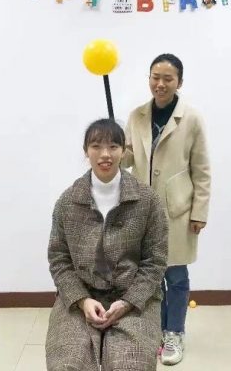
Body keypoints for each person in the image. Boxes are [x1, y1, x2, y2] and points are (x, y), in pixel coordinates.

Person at [45, 118, 169, 371]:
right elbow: (59, 260)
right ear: (86, 151)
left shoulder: (147, 201)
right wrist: (82, 300)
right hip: (80, 295)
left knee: (131, 364)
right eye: (96, 146)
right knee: (67, 363)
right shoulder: (68, 202)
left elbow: (155, 261)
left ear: (124, 151)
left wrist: (127, 302)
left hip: (134, 298)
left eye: (113, 146)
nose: (105, 154)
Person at [121, 53, 211, 366]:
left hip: (177, 210)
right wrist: (115, 149)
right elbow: (129, 158)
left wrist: (199, 211)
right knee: (149, 274)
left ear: (179, 83)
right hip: (143, 209)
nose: (160, 84)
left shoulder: (192, 119)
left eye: (168, 79)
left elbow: (201, 169)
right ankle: (157, 329)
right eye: (155, 77)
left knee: (175, 274)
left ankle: (174, 332)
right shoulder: (137, 116)